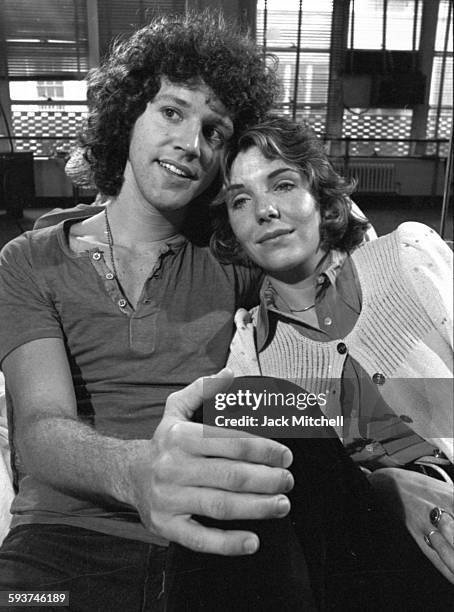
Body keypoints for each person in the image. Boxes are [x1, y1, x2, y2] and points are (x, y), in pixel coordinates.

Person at [0, 14, 296, 611]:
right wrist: (137, 472)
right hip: (60, 547)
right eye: (172, 112)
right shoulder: (31, 260)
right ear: (128, 114)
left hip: (211, 533)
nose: (191, 143)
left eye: (215, 132)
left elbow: (339, 314)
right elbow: (37, 431)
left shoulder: (234, 260)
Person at [167, 115, 453, 608]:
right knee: (233, 415)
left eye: (282, 184)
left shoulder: (405, 258)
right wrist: (388, 488)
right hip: (357, 545)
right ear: (232, 229)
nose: (265, 211)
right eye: (241, 200)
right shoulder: (251, 345)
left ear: (320, 197)